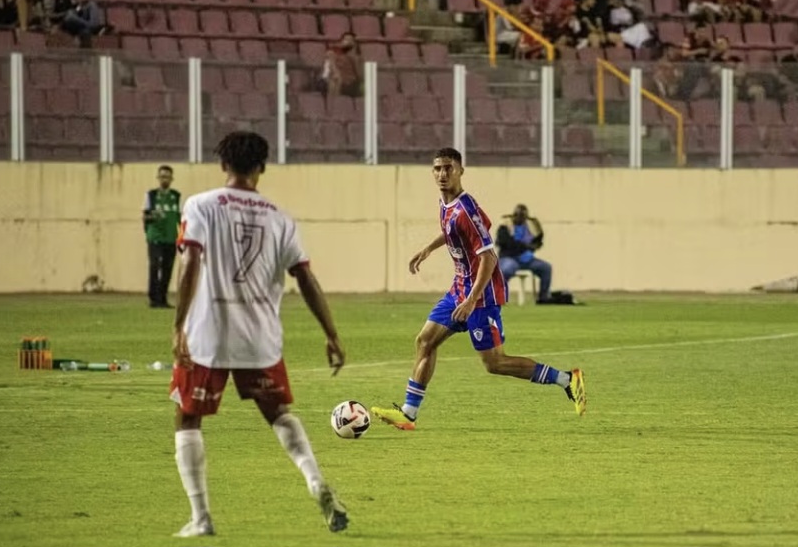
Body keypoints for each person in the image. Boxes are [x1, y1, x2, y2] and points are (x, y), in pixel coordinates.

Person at [170, 131, 348, 537]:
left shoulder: (200, 205)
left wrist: (178, 325)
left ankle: (201, 518)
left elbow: (191, 261)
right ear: (262, 168)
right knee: (279, 414)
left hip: (208, 335)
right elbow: (305, 276)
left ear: (222, 165)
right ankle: (315, 480)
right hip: (260, 339)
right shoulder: (280, 218)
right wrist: (332, 334)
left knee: (187, 416)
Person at [371, 148, 586, 431]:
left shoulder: (466, 210)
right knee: (425, 341)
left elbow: (488, 257)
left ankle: (568, 380)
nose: (442, 173)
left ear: (461, 170)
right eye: (437, 168)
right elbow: (454, 230)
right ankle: (409, 413)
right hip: (459, 289)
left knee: (495, 363)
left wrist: (472, 300)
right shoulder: (447, 204)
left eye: (449, 168)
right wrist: (428, 249)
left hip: (481, 296)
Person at [496, 204, 553, 303]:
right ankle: (498, 297)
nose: (520, 218)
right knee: (506, 270)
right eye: (518, 215)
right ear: (514, 215)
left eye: (523, 216)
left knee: (546, 268)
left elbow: (538, 240)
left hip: (527, 259)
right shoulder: (505, 226)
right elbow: (506, 243)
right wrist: (525, 246)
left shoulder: (530, 226)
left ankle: (543, 297)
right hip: (509, 257)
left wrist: (533, 246)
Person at [143, 165, 181, 309]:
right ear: (158, 178)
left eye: (167, 176)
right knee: (155, 265)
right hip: (155, 237)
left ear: (171, 179)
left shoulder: (176, 196)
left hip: (171, 238)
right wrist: (153, 217)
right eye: (162, 176)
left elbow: (181, 218)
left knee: (167, 268)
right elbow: (145, 216)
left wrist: (181, 237)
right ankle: (153, 298)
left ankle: (163, 298)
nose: (164, 179)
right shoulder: (151, 195)